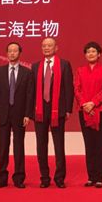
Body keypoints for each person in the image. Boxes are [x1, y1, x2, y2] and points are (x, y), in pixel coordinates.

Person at [32, 36, 74, 188]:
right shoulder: (36, 66)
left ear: (56, 48)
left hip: (58, 110)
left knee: (59, 145)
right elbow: (32, 91)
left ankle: (59, 178)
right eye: (44, 46)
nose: (46, 48)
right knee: (41, 145)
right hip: (40, 111)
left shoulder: (64, 64)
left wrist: (68, 109)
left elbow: (69, 88)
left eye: (50, 45)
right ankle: (44, 177)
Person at [0, 42, 34, 189]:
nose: (12, 53)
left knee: (19, 147)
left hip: (20, 115)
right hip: (3, 114)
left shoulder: (27, 72)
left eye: (15, 51)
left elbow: (30, 95)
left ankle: (19, 178)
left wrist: (28, 114)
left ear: (19, 53)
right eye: (9, 51)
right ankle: (1, 178)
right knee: (3, 147)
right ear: (6, 53)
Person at [74, 41, 102, 188]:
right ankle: (91, 176)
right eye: (88, 51)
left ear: (99, 54)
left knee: (100, 144)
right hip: (84, 111)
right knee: (89, 144)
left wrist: (93, 103)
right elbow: (77, 89)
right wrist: (85, 104)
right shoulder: (80, 70)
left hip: (101, 111)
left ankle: (100, 177)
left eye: (93, 51)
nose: (91, 54)